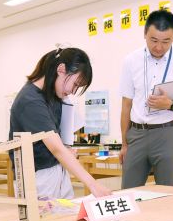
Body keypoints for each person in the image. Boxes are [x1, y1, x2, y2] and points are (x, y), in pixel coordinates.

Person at [9, 47, 111, 199]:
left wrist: (67, 148)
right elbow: (56, 148)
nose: (73, 91)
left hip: (57, 171)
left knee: (66, 219)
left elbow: (60, 143)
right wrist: (92, 184)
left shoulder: (53, 95)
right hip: (37, 178)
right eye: (75, 84)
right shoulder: (30, 100)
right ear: (61, 69)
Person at [119, 10, 173, 190]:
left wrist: (171, 104)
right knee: (128, 193)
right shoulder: (131, 61)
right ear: (145, 34)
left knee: (169, 194)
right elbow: (126, 106)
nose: (159, 47)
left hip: (167, 134)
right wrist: (124, 144)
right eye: (153, 40)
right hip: (137, 134)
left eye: (166, 42)